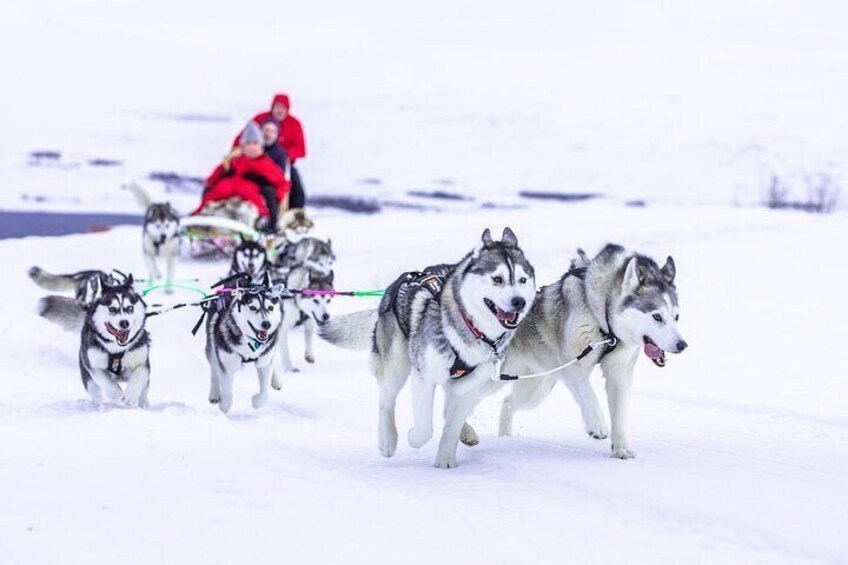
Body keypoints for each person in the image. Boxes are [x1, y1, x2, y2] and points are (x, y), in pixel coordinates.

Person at [199, 122, 289, 231]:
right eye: (248, 143)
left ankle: (262, 224)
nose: (252, 147)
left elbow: (282, 183)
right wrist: (226, 164)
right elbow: (213, 178)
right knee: (216, 210)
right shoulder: (235, 161)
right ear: (243, 146)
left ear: (261, 146)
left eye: (255, 143)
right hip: (226, 199)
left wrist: (277, 198)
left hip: (250, 202)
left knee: (247, 214)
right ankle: (204, 222)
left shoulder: (267, 164)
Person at [236, 93, 307, 209]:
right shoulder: (260, 119)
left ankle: (295, 211)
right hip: (256, 157)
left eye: (283, 108)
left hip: (282, 161)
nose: (279, 111)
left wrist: (286, 155)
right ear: (272, 107)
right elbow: (243, 137)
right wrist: (238, 150)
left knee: (293, 186)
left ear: (287, 109)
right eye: (277, 107)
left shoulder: (294, 124)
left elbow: (301, 149)